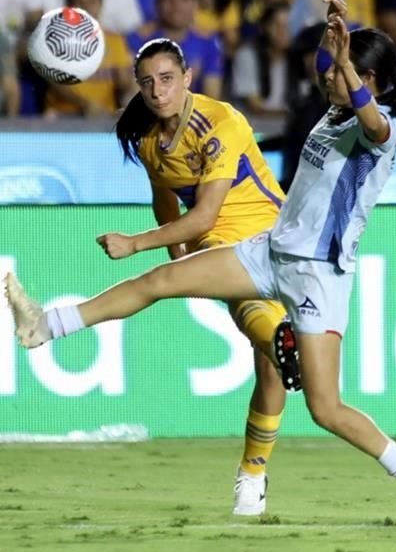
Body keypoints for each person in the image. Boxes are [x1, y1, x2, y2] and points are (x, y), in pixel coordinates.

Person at [4, 0, 396, 530]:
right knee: (161, 280)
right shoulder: (332, 116)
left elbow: (372, 122)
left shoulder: (381, 126)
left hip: (317, 271)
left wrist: (345, 65)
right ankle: (44, 326)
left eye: (338, 71)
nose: (327, 77)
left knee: (325, 409)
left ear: (369, 78)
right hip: (270, 250)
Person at [83, 35, 299, 517]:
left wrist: (137, 244)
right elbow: (167, 201)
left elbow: (203, 215)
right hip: (219, 245)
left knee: (269, 365)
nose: (158, 92)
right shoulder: (148, 143)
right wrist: (179, 252)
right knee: (257, 329)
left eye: (165, 79)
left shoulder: (221, 121)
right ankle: (253, 473)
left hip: (272, 235)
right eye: (146, 83)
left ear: (187, 78)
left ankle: (255, 464)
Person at [127, 0, 224, 99]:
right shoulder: (138, 40)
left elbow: (212, 98)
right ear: (157, 3)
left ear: (196, 3)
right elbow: (133, 96)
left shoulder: (208, 42)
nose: (176, 4)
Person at [43, 0, 135, 118]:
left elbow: (124, 84)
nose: (86, 7)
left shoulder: (115, 40)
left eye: (92, 1)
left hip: (104, 118)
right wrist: (86, 105)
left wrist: (127, 81)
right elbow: (57, 83)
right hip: (64, 116)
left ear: (100, 5)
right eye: (79, 1)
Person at [231, 3, 290, 115]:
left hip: (289, 127)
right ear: (264, 27)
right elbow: (255, 106)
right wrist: (293, 113)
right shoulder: (247, 55)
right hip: (256, 126)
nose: (282, 31)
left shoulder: (297, 57)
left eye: (287, 25)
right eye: (276, 25)